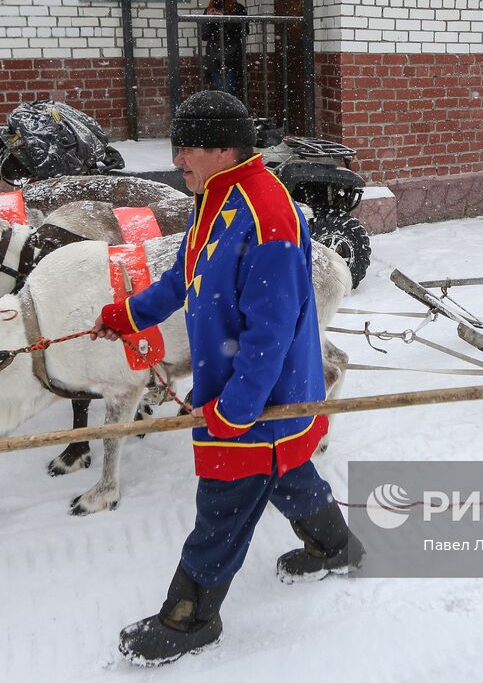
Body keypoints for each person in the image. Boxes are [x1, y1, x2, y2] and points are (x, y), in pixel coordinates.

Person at [95, 90, 362, 667]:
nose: (177, 159)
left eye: (185, 146)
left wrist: (239, 408)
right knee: (288, 471)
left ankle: (190, 617)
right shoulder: (216, 200)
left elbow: (270, 331)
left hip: (263, 392)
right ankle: (334, 546)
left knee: (223, 501)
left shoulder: (268, 216)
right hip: (239, 382)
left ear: (220, 148)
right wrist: (130, 314)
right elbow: (184, 275)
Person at [202, 0, 247, 98]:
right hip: (215, 58)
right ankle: (226, 116)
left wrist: (225, 18)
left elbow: (243, 31)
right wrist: (211, 19)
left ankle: (230, 116)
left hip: (232, 57)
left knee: (228, 92)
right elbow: (204, 35)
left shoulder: (238, 9)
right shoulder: (209, 9)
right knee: (221, 92)